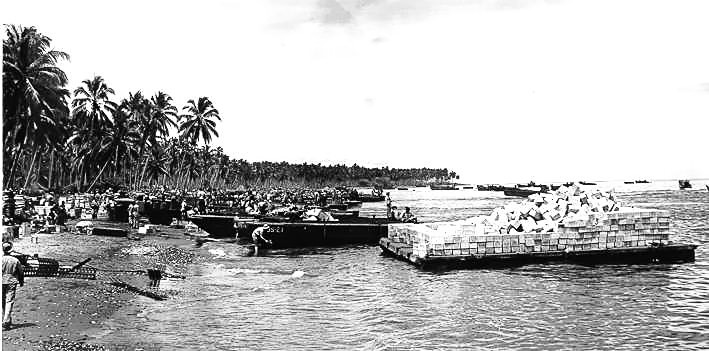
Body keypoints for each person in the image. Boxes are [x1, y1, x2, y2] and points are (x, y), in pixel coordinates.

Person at [2, 242, 24, 330]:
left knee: (2, 301)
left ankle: (4, 318)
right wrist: (21, 281)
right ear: (11, 250)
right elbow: (20, 272)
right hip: (11, 281)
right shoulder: (15, 260)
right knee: (9, 301)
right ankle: (6, 320)